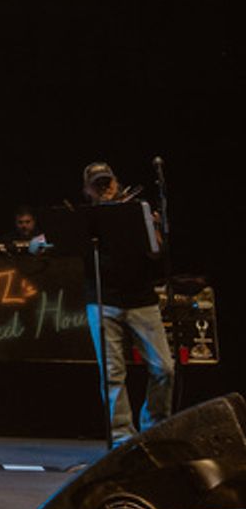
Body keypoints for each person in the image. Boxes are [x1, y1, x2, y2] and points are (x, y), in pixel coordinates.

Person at [80, 161, 172, 446]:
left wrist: (154, 228)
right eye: (97, 184)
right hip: (103, 301)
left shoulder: (135, 211)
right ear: (87, 190)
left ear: (117, 182)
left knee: (164, 369)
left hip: (141, 300)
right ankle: (122, 440)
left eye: (107, 182)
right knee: (112, 375)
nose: (104, 188)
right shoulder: (86, 219)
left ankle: (154, 429)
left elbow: (155, 254)